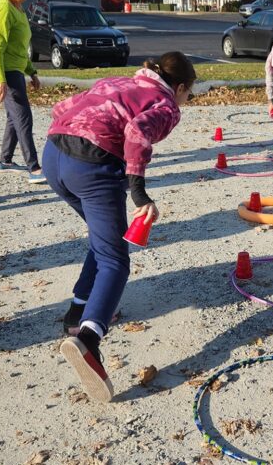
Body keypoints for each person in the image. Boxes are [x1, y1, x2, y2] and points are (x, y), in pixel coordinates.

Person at [43, 52, 197, 403]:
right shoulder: (166, 104)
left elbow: (62, 106)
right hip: (90, 166)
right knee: (115, 260)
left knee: (104, 241)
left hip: (53, 156)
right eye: (188, 93)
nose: (186, 100)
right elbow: (137, 131)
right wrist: (139, 193)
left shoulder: (120, 82)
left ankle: (78, 310)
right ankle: (88, 340)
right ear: (180, 87)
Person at [0, 0, 45, 182]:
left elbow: (19, 47)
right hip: (4, 69)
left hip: (14, 68)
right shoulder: (4, 9)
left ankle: (5, 160)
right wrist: (0, 80)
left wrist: (32, 72)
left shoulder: (18, 7)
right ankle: (34, 168)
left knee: (14, 115)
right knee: (23, 116)